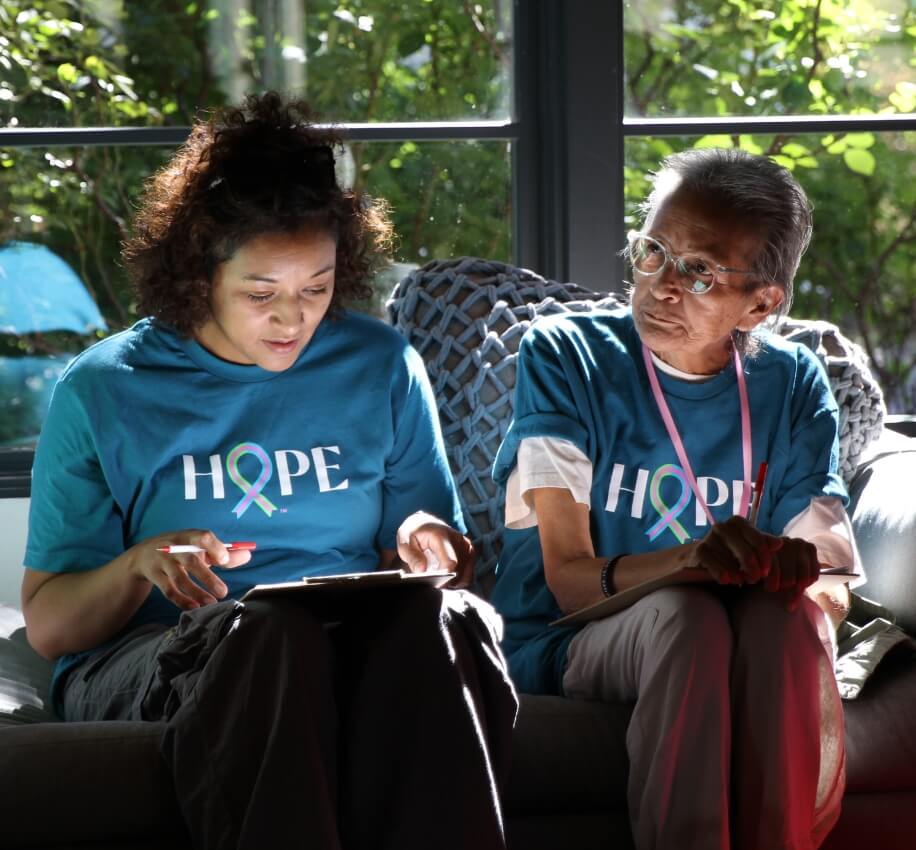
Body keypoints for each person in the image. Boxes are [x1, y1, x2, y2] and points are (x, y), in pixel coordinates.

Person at [21, 91, 517, 850]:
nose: (293, 319)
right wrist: (138, 565)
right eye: (261, 294)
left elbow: (422, 546)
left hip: (350, 632)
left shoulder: (382, 364)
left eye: (316, 289)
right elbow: (52, 627)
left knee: (442, 622)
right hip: (168, 651)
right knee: (277, 635)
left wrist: (423, 536)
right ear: (197, 273)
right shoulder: (105, 388)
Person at [490, 147, 861, 850]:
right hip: (572, 635)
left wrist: (788, 578)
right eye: (653, 251)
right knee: (687, 617)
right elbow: (567, 580)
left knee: (785, 623)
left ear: (761, 302)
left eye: (700, 271)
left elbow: (830, 593)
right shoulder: (566, 353)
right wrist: (691, 561)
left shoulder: (793, 383)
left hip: (731, 629)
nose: (661, 285)